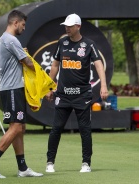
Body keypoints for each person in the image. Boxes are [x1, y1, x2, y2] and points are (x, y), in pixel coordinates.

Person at [0, 10, 43, 178]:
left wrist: (22, 54)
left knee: (20, 128)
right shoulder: (11, 39)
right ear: (15, 23)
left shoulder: (6, 39)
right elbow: (29, 63)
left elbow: (18, 58)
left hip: (12, 88)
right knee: (16, 127)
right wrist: (42, 76)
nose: (24, 28)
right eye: (23, 25)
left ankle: (22, 168)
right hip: (11, 89)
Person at [45, 13, 108, 173]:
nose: (67, 28)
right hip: (63, 94)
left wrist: (104, 86)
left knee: (85, 129)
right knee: (56, 128)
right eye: (66, 26)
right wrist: (49, 87)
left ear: (78, 26)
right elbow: (54, 66)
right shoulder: (62, 42)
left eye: (70, 26)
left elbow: (99, 65)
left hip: (82, 95)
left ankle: (86, 163)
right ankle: (50, 163)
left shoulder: (88, 44)